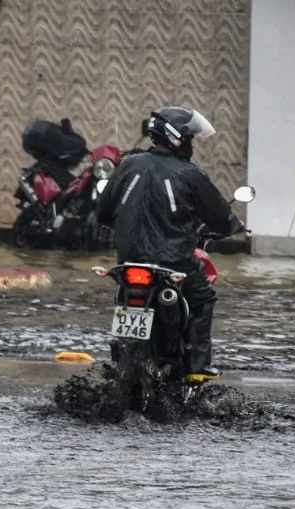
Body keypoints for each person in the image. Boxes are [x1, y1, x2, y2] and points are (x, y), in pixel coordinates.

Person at [96, 106, 243, 379]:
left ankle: (122, 358)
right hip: (172, 261)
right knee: (202, 296)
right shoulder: (190, 174)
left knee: (124, 297)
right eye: (190, 139)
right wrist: (235, 226)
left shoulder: (128, 164)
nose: (191, 145)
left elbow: (103, 213)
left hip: (128, 261)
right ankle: (198, 366)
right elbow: (220, 219)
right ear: (178, 139)